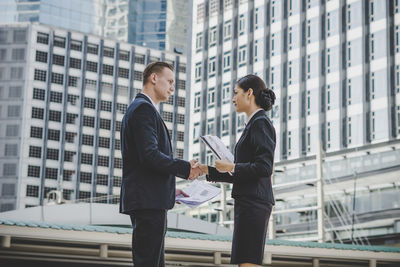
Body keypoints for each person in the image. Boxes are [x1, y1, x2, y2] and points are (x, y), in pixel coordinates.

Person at [119, 61, 202, 267]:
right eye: (170, 81)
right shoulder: (142, 109)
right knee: (149, 262)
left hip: (151, 198)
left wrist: (169, 190)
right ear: (154, 78)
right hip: (148, 202)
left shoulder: (144, 109)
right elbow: (149, 155)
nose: (173, 88)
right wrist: (186, 168)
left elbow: (144, 162)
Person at [197, 74, 276, 267]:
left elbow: (265, 167)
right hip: (249, 201)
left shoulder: (260, 123)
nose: (233, 98)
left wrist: (232, 166)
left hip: (254, 203)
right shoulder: (254, 124)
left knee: (247, 262)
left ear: (249, 93)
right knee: (245, 262)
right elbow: (241, 173)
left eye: (236, 93)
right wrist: (205, 169)